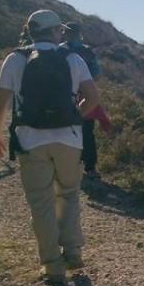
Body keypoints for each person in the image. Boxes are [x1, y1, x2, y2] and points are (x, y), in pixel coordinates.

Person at [0, 9, 103, 284]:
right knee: (68, 193)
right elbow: (94, 98)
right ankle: (73, 250)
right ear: (56, 32)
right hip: (69, 138)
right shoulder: (72, 58)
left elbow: (1, 101)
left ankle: (52, 265)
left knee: (41, 202)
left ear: (29, 31)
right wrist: (77, 116)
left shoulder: (15, 59)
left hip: (30, 140)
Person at [60, 22, 102, 179]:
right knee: (87, 131)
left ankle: (68, 163)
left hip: (63, 96)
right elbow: (97, 74)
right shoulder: (88, 52)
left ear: (65, 33)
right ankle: (89, 167)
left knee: (63, 128)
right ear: (79, 34)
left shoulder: (59, 50)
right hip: (85, 95)